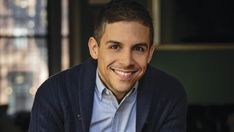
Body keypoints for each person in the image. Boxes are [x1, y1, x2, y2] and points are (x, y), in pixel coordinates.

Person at [29, 0, 187, 132]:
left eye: (138, 49)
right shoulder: (54, 94)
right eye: (115, 47)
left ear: (150, 53)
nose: (126, 61)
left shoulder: (169, 94)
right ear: (94, 49)